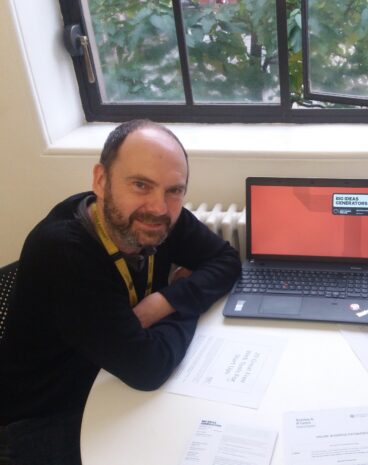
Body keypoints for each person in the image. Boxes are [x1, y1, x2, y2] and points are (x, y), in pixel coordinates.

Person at [0, 120, 241, 465]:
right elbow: (148, 367)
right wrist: (186, 302)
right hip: (44, 417)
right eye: (141, 184)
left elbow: (226, 260)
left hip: (108, 376)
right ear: (101, 180)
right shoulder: (65, 252)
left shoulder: (158, 219)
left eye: (174, 190)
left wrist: (163, 302)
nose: (159, 207)